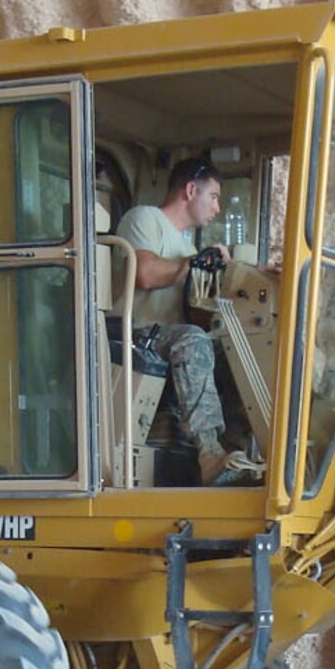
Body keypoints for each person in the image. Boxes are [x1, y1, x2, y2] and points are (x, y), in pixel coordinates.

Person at [115, 157, 260, 486]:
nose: (217, 207)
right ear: (191, 190)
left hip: (171, 337)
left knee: (235, 355)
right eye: (213, 197)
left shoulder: (187, 246)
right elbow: (146, 274)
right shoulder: (145, 219)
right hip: (136, 334)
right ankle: (208, 453)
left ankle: (237, 454)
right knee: (192, 341)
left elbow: (196, 313)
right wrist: (194, 263)